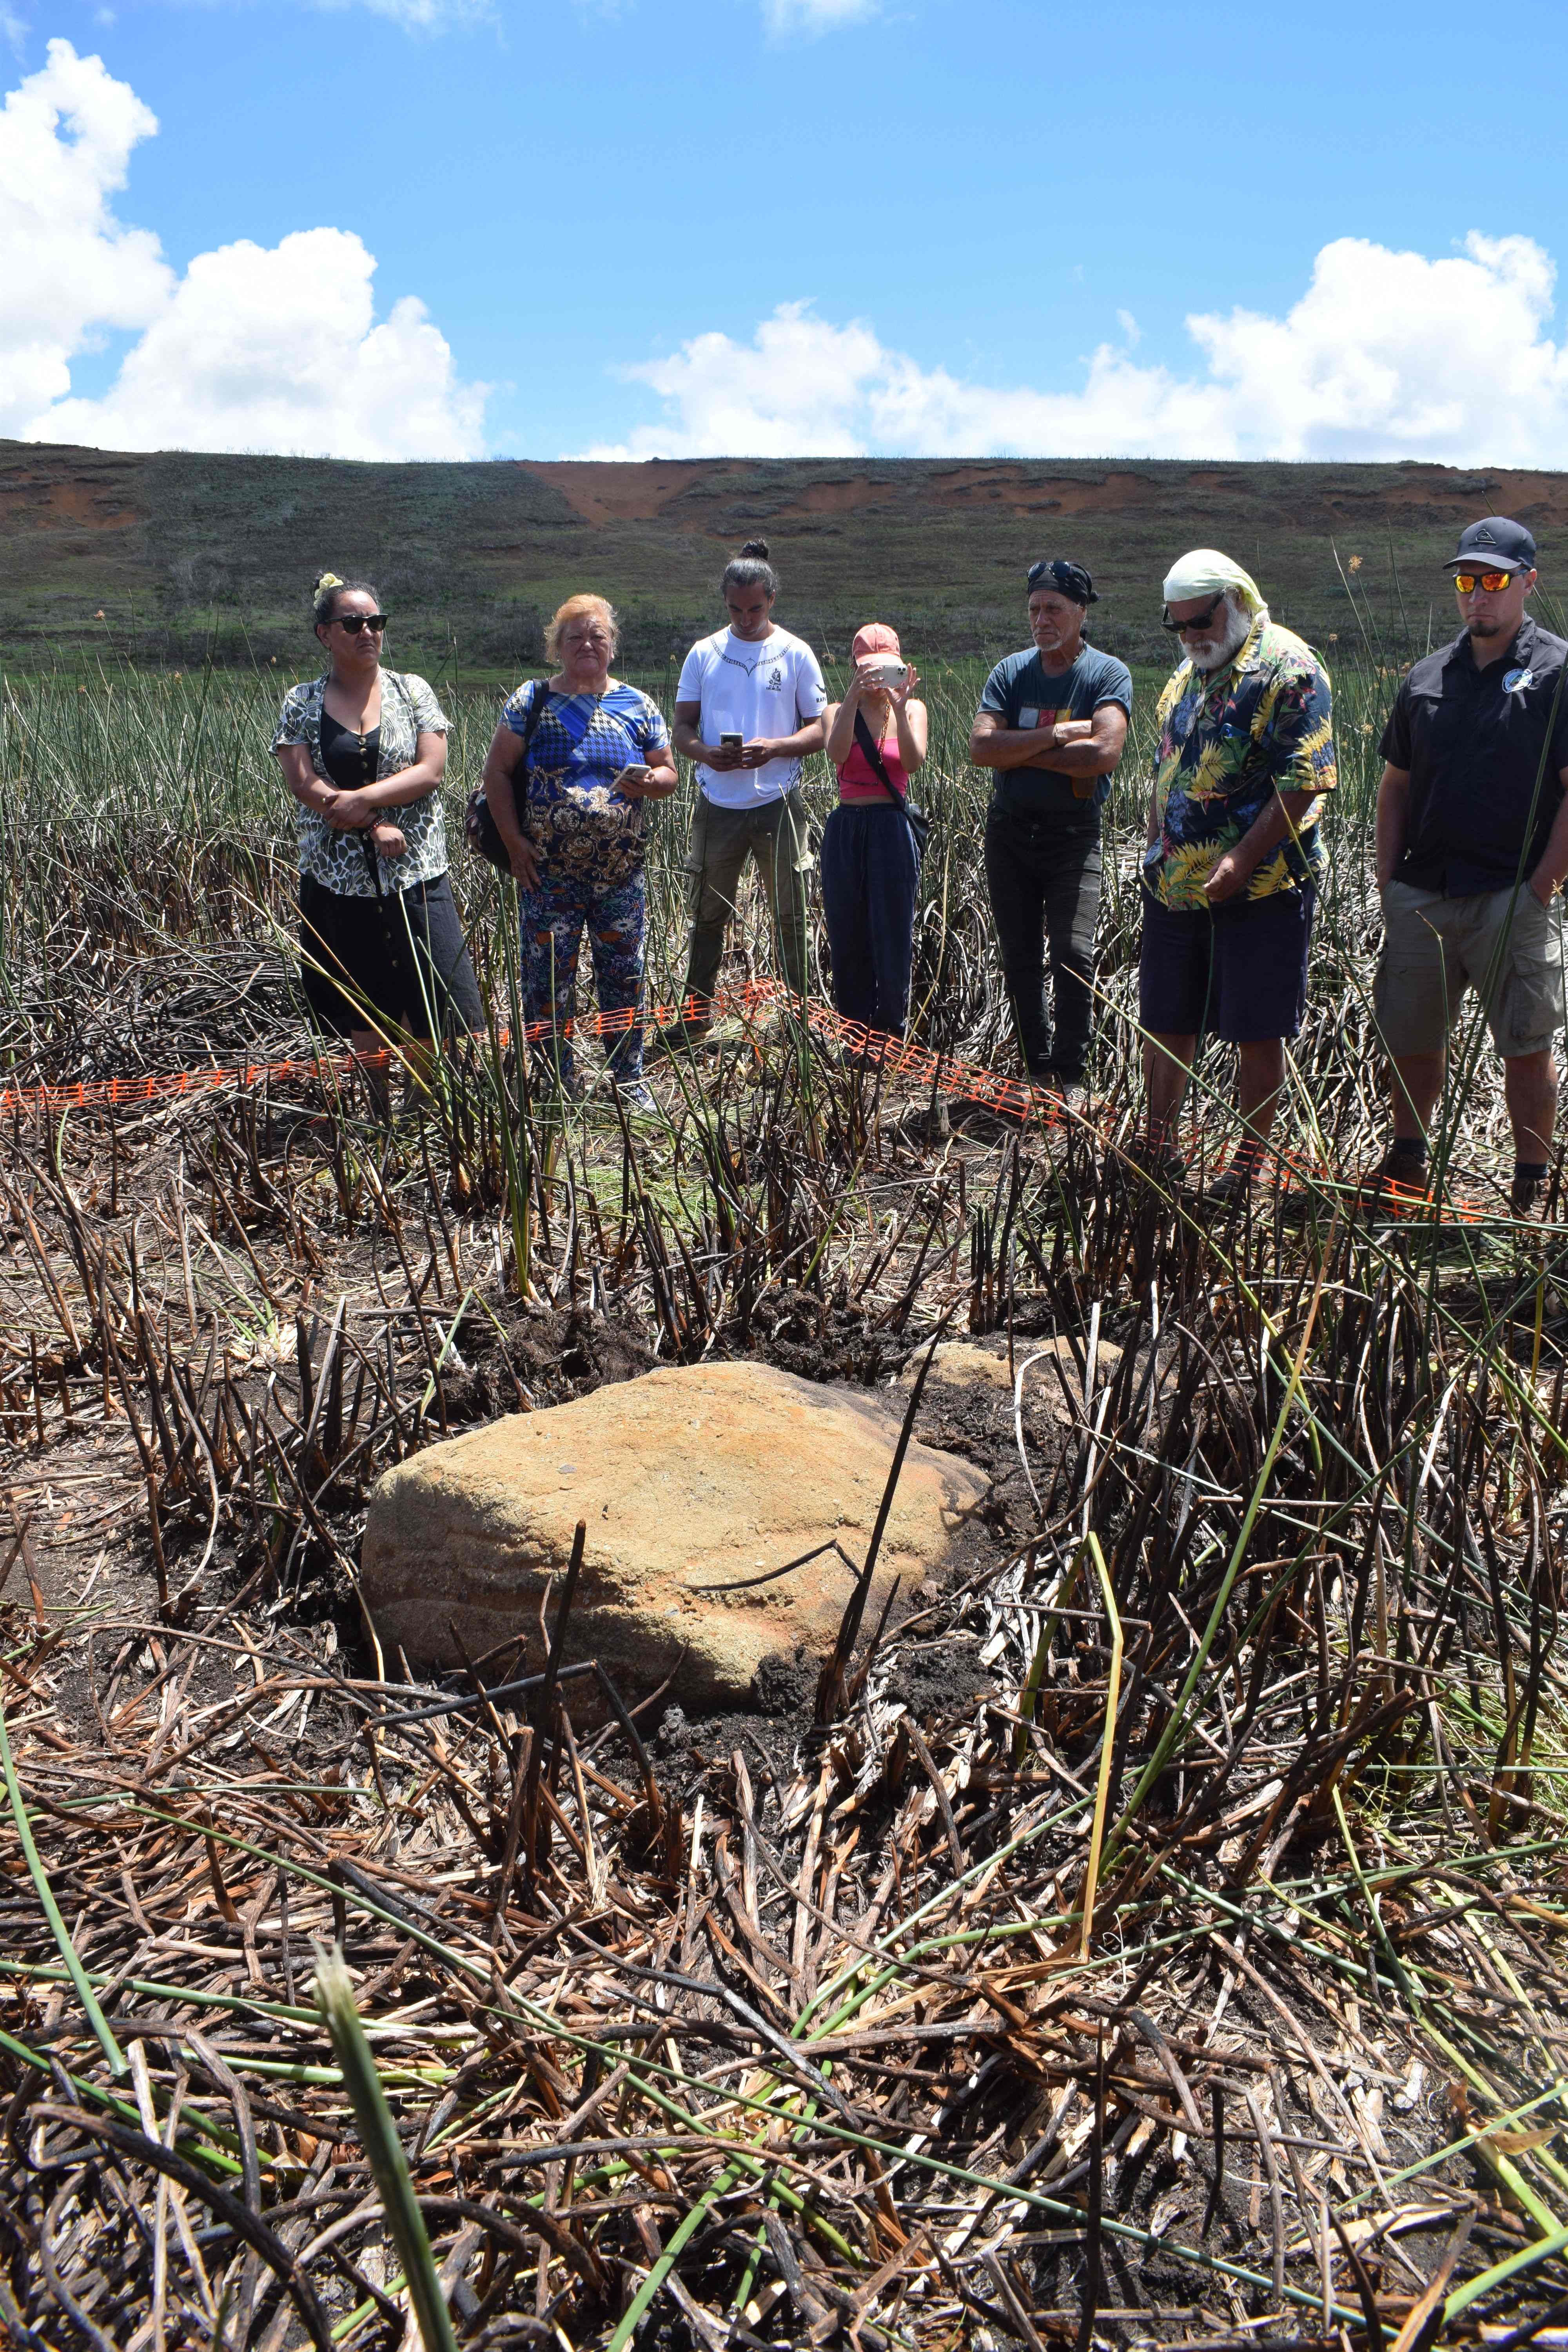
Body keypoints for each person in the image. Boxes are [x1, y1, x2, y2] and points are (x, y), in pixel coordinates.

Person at [1367, 517, 1568, 1218]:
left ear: (1527, 583)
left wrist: (1541, 886)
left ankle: (1531, 1186)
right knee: (1412, 1036)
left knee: (1525, 1042)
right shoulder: (1427, 676)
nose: (1477, 594)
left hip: (1511, 894)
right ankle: (1409, 1160)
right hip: (1423, 893)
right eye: (1466, 581)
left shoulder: (1557, 672)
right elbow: (1395, 785)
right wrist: (1389, 878)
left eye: (1493, 580)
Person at [1136, 550, 1337, 1203]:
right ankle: (1159, 1150)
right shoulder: (1186, 675)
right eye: (1178, 625)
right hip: (1175, 885)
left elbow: (1306, 779)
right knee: (1167, 1017)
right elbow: (1167, 762)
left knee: (1256, 1026)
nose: (1191, 634)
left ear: (1238, 602)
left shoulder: (1291, 668)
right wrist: (1154, 837)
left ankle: (1245, 1171)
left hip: (1262, 887)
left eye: (1201, 620)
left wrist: (1243, 858)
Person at [273, 572, 483, 1091]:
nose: (367, 632)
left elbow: (430, 771)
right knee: (362, 994)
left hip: (415, 871)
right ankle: (377, 1105)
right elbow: (303, 782)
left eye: (375, 622)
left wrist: (364, 800)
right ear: (325, 634)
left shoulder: (413, 691)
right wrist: (370, 823)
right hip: (337, 878)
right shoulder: (302, 700)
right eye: (352, 624)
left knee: (435, 986)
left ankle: (428, 1100)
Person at [479, 594, 676, 1109]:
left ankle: (628, 1081)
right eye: (575, 637)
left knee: (624, 978)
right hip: (547, 876)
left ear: (612, 645)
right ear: (557, 647)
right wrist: (514, 843)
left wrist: (652, 782)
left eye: (597, 636)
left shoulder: (638, 704)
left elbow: (669, 773)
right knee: (546, 983)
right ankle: (555, 1084)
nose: (587, 645)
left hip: (620, 876)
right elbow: (497, 772)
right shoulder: (530, 700)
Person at [969, 559, 1131, 1108]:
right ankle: (1035, 1070)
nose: (1042, 620)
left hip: (1073, 835)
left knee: (1072, 952)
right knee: (1019, 956)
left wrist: (1019, 750)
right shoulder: (1010, 673)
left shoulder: (1107, 674)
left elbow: (1103, 753)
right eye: (1035, 609)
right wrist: (1061, 734)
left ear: (1081, 612)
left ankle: (1072, 1074)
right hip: (1010, 833)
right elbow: (981, 749)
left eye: (1054, 609)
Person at [655, 542, 828, 1051]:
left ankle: (799, 1023)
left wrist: (776, 747)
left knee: (792, 917)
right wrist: (705, 754)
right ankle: (694, 1022)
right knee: (707, 916)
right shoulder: (703, 653)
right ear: (725, 602)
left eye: (755, 608)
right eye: (735, 609)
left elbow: (821, 729)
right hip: (717, 806)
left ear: (772, 599)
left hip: (779, 803)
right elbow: (681, 728)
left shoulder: (796, 653)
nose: (746, 619)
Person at [820, 624, 928, 1040]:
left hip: (892, 828)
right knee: (847, 929)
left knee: (893, 930)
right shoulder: (835, 710)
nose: (878, 678)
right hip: (847, 826)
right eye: (870, 669)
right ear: (855, 667)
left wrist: (899, 708)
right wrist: (852, 697)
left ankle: (891, 1033)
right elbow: (837, 754)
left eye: (886, 669)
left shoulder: (913, 709)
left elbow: (913, 763)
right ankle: (854, 1032)